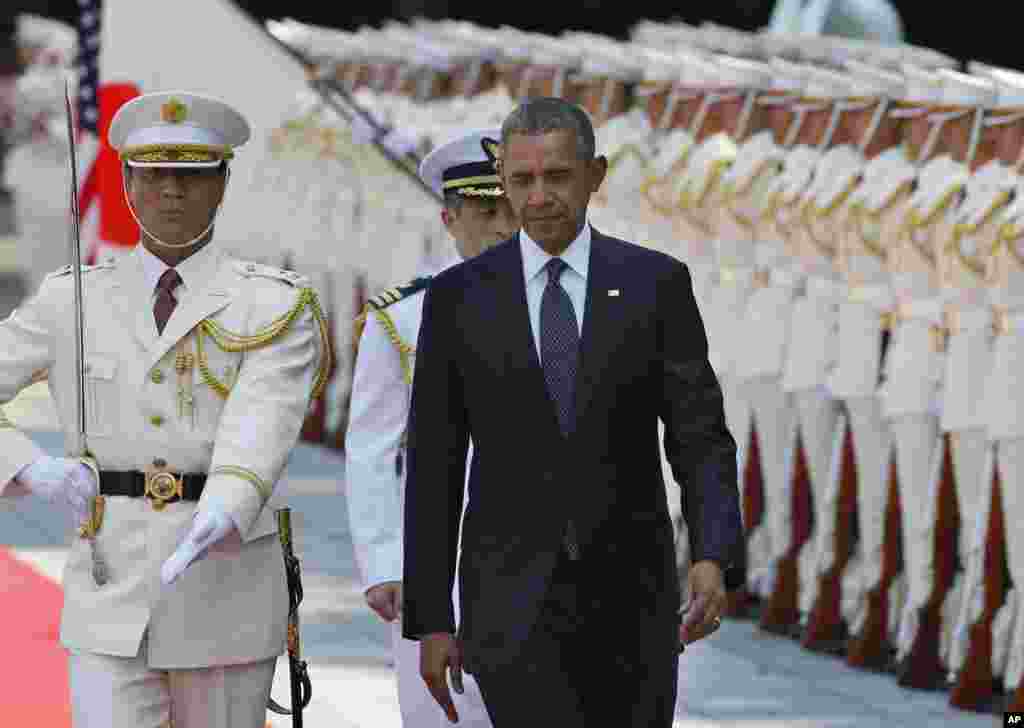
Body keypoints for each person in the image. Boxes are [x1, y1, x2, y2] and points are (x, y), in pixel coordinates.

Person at [402, 97, 743, 727]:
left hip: (633, 605)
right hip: (509, 604)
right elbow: (434, 464)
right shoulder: (458, 299)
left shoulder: (653, 283)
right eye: (522, 180)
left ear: (595, 174)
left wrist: (712, 555)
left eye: (557, 177)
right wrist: (430, 619)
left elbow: (699, 436)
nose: (539, 198)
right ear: (503, 179)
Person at [0, 90, 330, 727]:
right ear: (125, 184)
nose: (172, 192)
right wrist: (28, 467)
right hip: (108, 584)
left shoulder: (273, 305)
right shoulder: (73, 300)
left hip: (225, 582)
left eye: (193, 174)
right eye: (153, 175)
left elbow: (263, 417)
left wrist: (231, 500)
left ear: (223, 184)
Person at [345, 128, 516, 728]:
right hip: (439, 563)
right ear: (449, 217)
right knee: (443, 717)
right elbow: (372, 447)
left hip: (545, 563)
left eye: (514, 209)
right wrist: (385, 560)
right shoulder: (404, 318)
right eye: (485, 210)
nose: (502, 226)